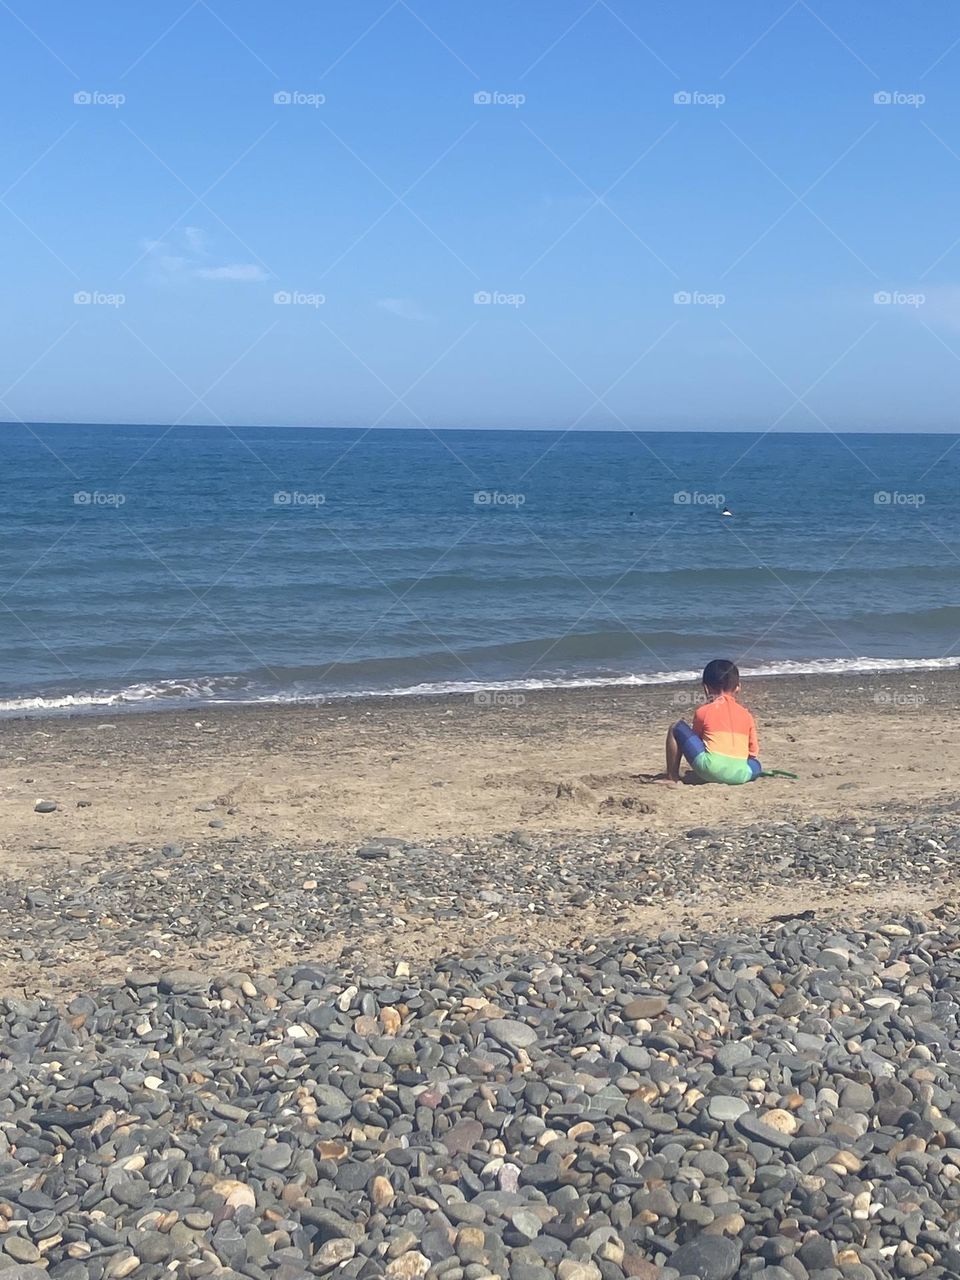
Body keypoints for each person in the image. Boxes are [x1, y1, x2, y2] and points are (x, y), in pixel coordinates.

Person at [661, 659, 761, 785]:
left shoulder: (704, 711)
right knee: (756, 764)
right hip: (740, 775)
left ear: (706, 688)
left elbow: (696, 741)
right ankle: (736, 771)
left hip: (709, 770)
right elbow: (753, 752)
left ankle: (672, 777)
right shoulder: (747, 715)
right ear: (738, 687)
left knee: (676, 727)